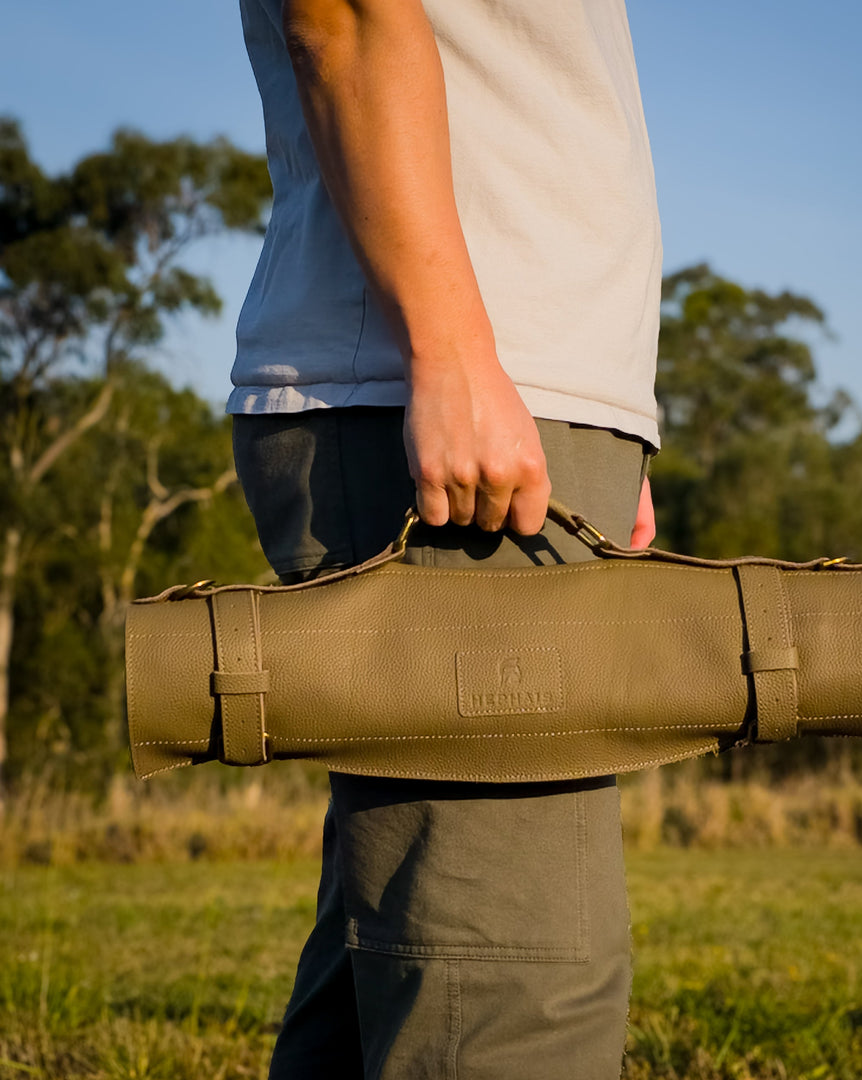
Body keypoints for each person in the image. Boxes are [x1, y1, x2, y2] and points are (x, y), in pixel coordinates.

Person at [228, 0, 662, 1075]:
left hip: (512, 399)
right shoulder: (447, 360)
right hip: (436, 381)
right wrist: (455, 354)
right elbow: (344, 15)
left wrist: (608, 424)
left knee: (397, 967)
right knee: (513, 1004)